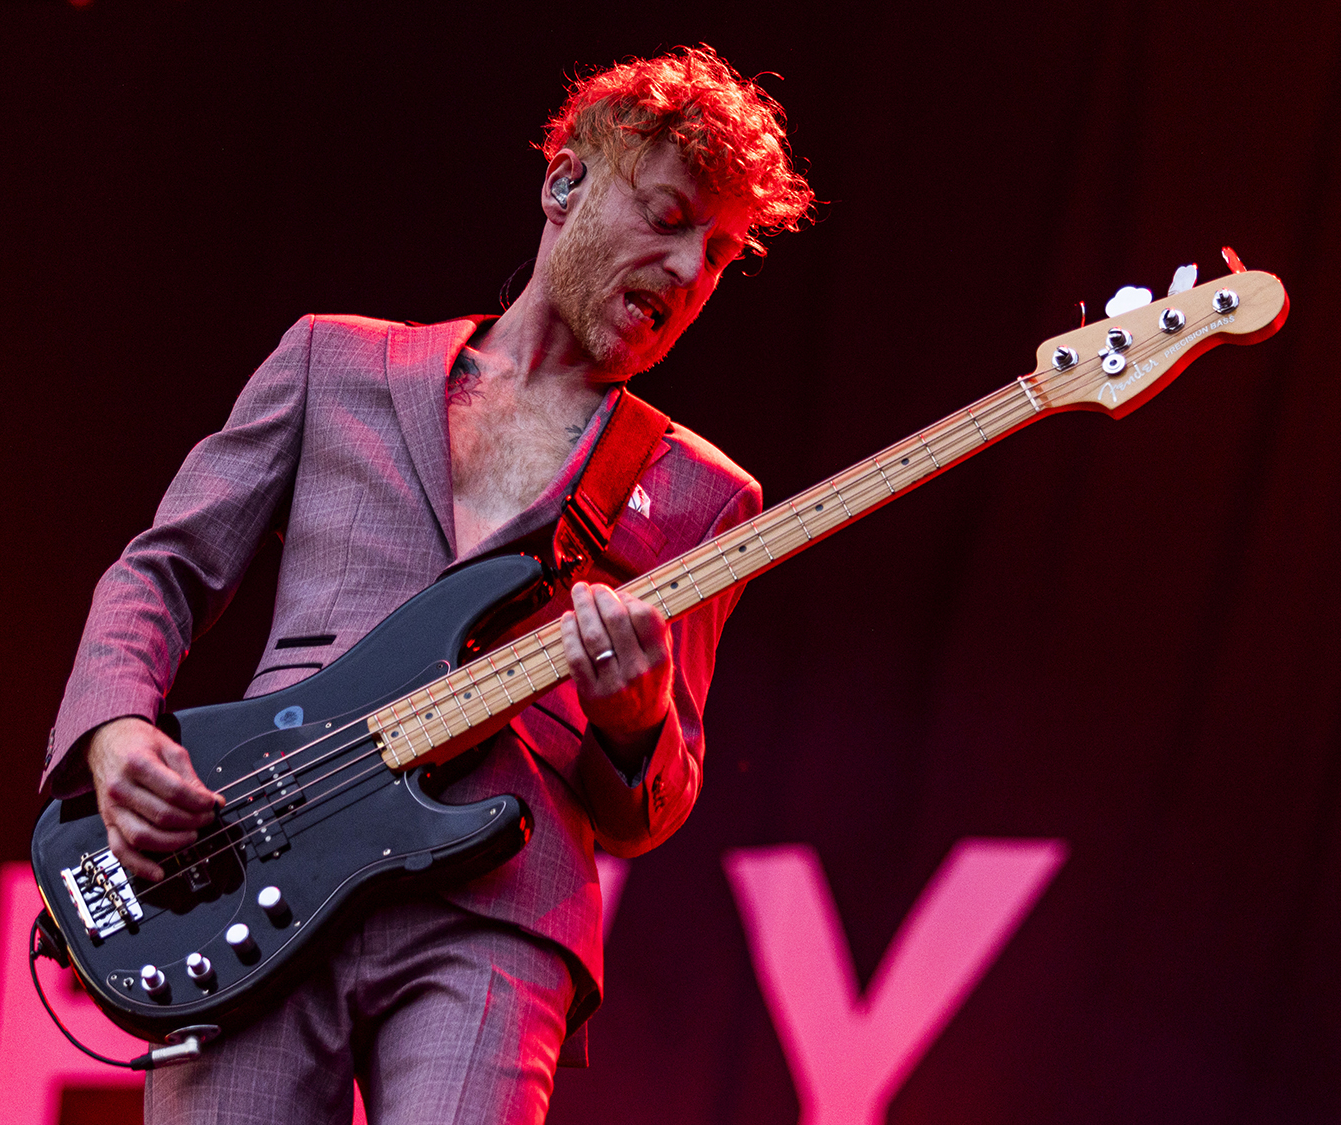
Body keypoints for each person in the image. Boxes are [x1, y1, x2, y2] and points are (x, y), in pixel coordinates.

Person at [40, 45, 813, 1125]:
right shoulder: (335, 361)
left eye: (720, 253)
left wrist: (633, 720)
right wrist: (114, 732)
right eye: (669, 216)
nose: (688, 271)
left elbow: (653, 803)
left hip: (498, 902)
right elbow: (162, 568)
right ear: (563, 184)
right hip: (252, 847)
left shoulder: (697, 494)